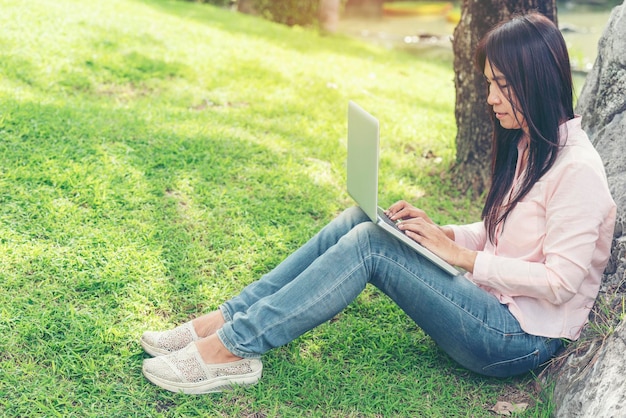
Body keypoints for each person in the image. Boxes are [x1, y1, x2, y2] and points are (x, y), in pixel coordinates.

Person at [140, 12, 616, 394]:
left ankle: (233, 349)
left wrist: (463, 257)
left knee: (372, 244)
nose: (489, 97)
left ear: (535, 82)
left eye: (501, 85)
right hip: (493, 308)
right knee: (364, 219)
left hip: (517, 339)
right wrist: (443, 234)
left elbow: (560, 282)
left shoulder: (577, 171)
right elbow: (513, 231)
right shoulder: (533, 143)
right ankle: (227, 318)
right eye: (488, 82)